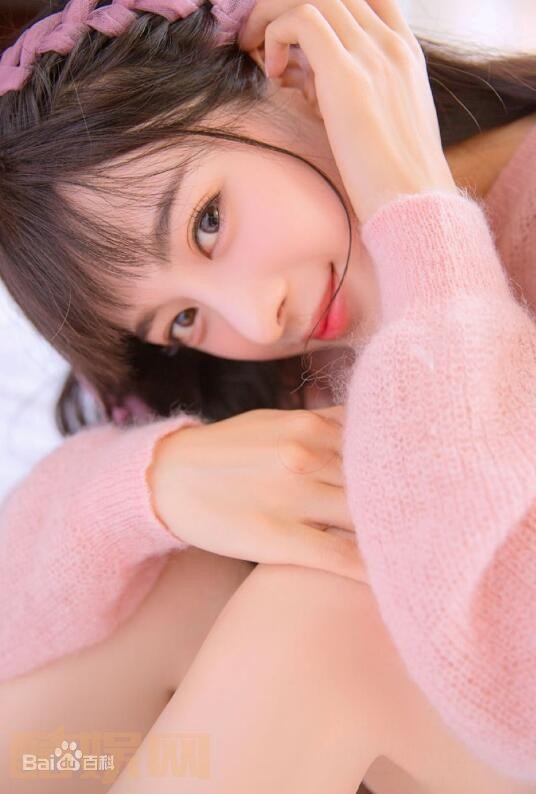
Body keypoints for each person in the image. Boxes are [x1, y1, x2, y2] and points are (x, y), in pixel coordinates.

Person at [0, 0, 534, 788]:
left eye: (207, 222)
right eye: (182, 320)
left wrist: (417, 213)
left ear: (296, 76)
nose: (258, 319)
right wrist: (150, 488)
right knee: (165, 582)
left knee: (322, 620)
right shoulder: (286, 368)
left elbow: (509, 662)